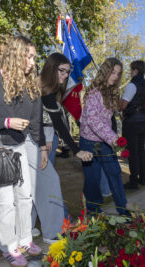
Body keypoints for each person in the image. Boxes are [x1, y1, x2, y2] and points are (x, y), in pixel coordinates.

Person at [0, 36, 43, 266]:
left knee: (25, 197)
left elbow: (36, 121)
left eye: (34, 57)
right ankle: (8, 247)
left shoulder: (30, 85)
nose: (32, 62)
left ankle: (24, 240)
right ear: (16, 55)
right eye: (29, 56)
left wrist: (41, 146)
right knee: (5, 201)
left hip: (20, 147)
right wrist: (7, 122)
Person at [29, 52, 92, 244]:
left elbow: (57, 123)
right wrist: (75, 149)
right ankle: (52, 229)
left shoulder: (51, 89)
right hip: (31, 142)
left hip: (42, 141)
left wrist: (73, 148)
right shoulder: (36, 88)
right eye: (62, 70)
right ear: (51, 67)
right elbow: (43, 121)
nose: (66, 75)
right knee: (46, 183)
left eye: (68, 71)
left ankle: (40, 227)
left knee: (39, 185)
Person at [80, 57, 129, 216]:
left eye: (118, 73)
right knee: (92, 180)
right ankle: (93, 213)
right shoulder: (94, 93)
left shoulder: (111, 92)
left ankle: (123, 210)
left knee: (114, 173)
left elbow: (108, 120)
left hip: (105, 141)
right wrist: (113, 138)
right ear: (105, 71)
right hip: (89, 143)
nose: (115, 76)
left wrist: (113, 137)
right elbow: (93, 121)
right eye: (112, 72)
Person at [120, 60, 145, 189]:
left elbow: (123, 105)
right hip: (144, 120)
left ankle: (133, 181)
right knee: (141, 150)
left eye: (131, 70)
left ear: (136, 70)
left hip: (132, 121)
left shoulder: (132, 85)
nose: (130, 72)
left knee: (133, 152)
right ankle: (143, 178)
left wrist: (118, 103)